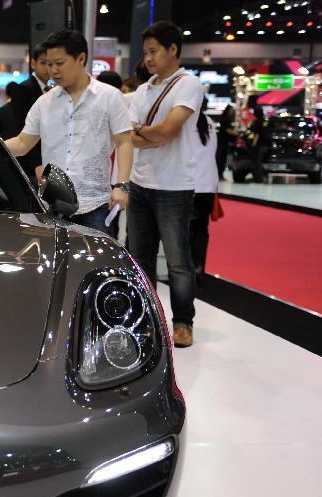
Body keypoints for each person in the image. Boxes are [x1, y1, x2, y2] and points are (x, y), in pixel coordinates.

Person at [5, 30, 133, 237]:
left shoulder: (109, 97)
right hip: (52, 204)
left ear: (81, 58)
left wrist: (122, 185)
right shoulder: (44, 102)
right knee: (54, 266)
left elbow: (124, 141)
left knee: (93, 265)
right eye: (48, 64)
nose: (52, 70)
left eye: (60, 63)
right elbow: (22, 143)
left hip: (95, 204)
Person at [128, 21, 205, 348]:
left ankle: (183, 321)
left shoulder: (189, 84)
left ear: (173, 50)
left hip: (174, 186)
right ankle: (147, 319)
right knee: (139, 258)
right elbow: (128, 138)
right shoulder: (142, 90)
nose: (148, 58)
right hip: (139, 184)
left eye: (154, 51)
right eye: (145, 52)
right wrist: (150, 134)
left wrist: (143, 133)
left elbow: (170, 131)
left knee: (177, 262)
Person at [10, 43, 50, 180]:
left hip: (47, 161)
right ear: (33, 63)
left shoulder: (52, 90)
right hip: (29, 165)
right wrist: (37, 164)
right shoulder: (23, 89)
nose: (48, 68)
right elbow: (22, 129)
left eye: (51, 63)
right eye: (43, 63)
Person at [190, 97, 218, 276]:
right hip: (208, 184)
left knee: (185, 230)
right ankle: (199, 267)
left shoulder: (187, 122)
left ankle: (187, 269)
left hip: (189, 184)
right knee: (201, 229)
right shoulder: (210, 122)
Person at [216, 104, 238, 180]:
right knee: (221, 159)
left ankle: (220, 175)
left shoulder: (224, 118)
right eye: (231, 110)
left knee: (222, 159)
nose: (233, 112)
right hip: (222, 143)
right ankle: (219, 175)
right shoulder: (226, 119)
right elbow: (228, 130)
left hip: (222, 142)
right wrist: (237, 133)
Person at [249, 105, 267, 183]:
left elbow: (257, 134)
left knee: (257, 162)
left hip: (259, 145)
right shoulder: (264, 121)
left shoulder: (257, 122)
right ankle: (263, 176)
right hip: (265, 144)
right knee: (259, 162)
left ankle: (259, 178)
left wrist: (253, 144)